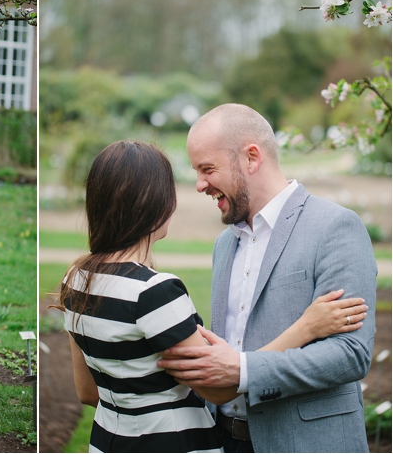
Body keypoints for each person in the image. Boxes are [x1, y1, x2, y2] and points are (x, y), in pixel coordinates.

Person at [60, 140, 368, 453]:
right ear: (158, 203)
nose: (197, 186)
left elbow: (88, 392)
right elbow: (219, 391)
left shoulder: (75, 280)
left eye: (207, 169)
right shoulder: (155, 291)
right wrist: (306, 328)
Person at [157, 103, 377, 452]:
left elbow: (350, 354)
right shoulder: (223, 245)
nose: (199, 185)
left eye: (207, 169)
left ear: (252, 157)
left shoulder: (336, 227)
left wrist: (244, 371)